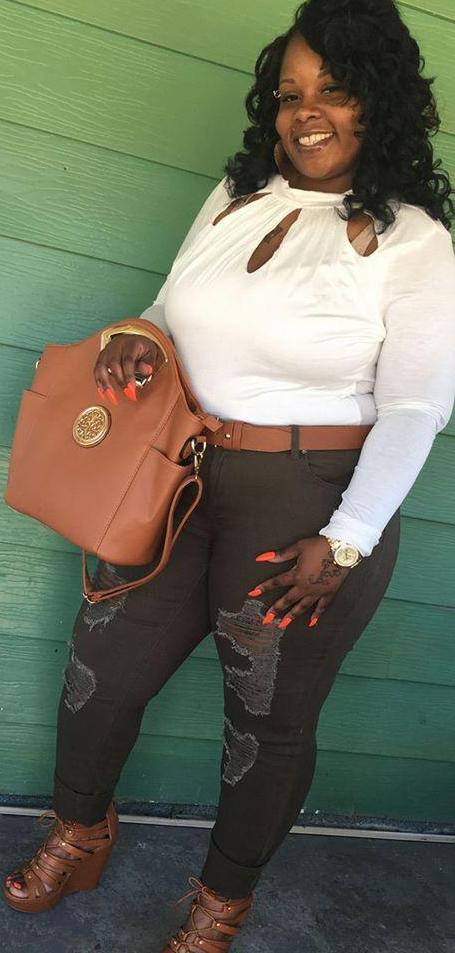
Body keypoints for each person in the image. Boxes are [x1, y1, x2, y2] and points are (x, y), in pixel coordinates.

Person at [3, 0, 455, 949]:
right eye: (289, 93)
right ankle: (79, 831)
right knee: (101, 670)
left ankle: (221, 901)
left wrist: (347, 539)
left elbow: (415, 406)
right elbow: (169, 308)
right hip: (180, 478)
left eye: (334, 88)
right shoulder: (236, 193)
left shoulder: (412, 239)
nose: (306, 111)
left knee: (264, 722)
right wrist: (138, 334)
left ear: (378, 101)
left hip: (309, 500)